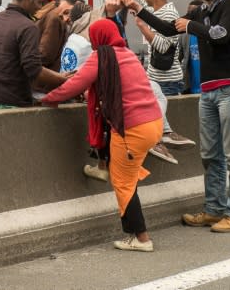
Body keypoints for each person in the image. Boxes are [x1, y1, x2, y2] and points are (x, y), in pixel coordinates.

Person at [124, 0, 230, 233]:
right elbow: (168, 29)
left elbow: (220, 35)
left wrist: (191, 25)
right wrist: (139, 8)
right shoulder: (198, 11)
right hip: (207, 91)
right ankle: (214, 210)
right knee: (210, 154)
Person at [43, 19, 163, 252]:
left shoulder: (101, 58)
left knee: (123, 183)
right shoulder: (127, 54)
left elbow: (74, 85)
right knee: (127, 175)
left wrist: (47, 98)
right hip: (153, 123)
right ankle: (136, 230)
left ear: (99, 38)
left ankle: (141, 238)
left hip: (132, 129)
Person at [116, 0, 195, 162]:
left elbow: (164, 47)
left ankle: (158, 138)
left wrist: (142, 27)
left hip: (167, 79)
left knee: (153, 109)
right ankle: (163, 135)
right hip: (156, 76)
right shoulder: (155, 8)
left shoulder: (169, 14)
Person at [0, 0, 67, 109]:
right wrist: (64, 79)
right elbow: (34, 70)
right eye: (39, 2)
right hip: (13, 105)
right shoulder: (27, 27)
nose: (39, 8)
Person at [37, 0, 80, 72]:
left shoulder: (53, 18)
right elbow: (45, 56)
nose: (65, 19)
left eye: (67, 12)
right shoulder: (54, 20)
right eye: (62, 15)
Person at [179, 0, 204, 94]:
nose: (190, 16)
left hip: (209, 88)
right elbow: (178, 58)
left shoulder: (208, 33)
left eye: (193, 12)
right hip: (189, 89)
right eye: (189, 12)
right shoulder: (184, 35)